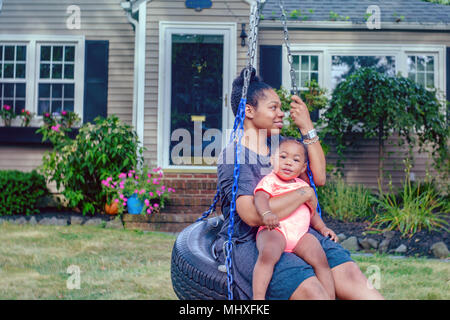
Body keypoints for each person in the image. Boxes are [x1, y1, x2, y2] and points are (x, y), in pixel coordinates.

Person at [214, 67, 384, 300]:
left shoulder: (282, 146)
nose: (281, 113)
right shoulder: (234, 156)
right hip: (256, 241)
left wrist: (306, 127)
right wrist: (302, 194)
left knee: (358, 284)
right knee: (315, 292)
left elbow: (319, 177)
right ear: (249, 111)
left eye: (281, 107)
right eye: (273, 107)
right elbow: (253, 216)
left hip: (300, 232)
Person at [252, 138, 337, 300]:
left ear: (303, 167)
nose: (288, 163)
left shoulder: (302, 186)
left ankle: (330, 296)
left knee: (321, 260)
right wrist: (266, 214)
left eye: (295, 160)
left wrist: (323, 228)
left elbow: (313, 213)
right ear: (272, 159)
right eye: (283, 157)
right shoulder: (270, 180)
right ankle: (258, 298)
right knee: (268, 254)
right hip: (274, 229)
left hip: (300, 236)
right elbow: (260, 198)